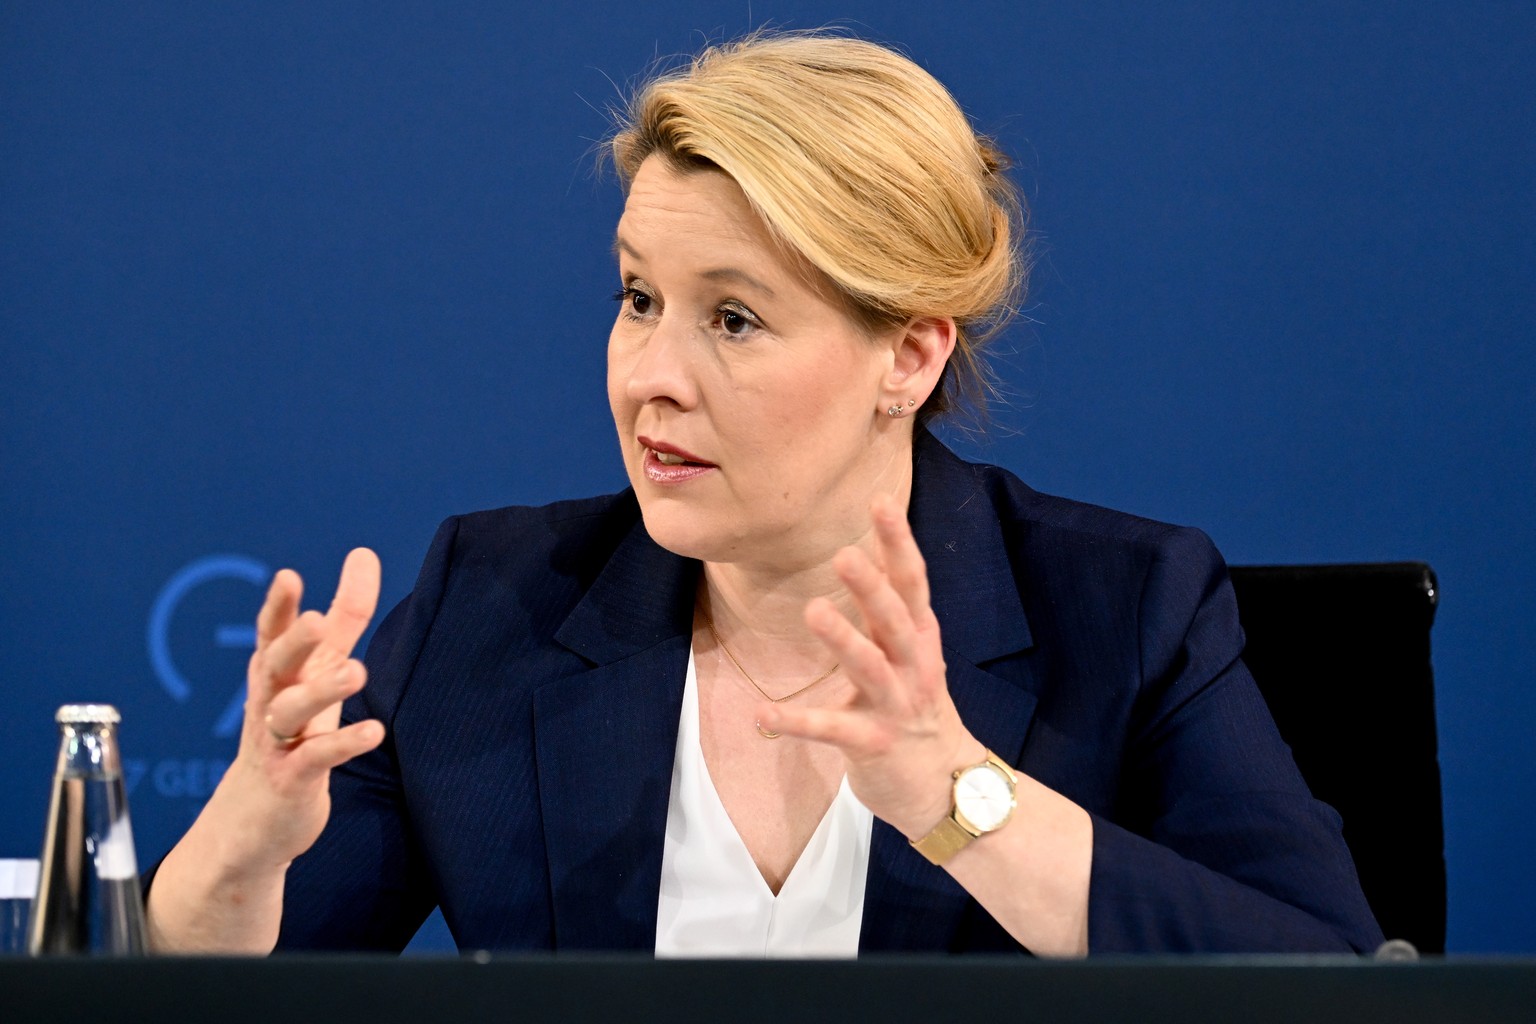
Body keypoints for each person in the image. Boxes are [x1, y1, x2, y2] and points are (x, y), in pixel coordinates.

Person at [144, 31, 1382, 957]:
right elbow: (188, 1005)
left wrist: (958, 798)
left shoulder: (1128, 612)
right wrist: (244, 841)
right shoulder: (488, 607)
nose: (651, 378)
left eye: (733, 318)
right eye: (639, 299)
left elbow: (1328, 982)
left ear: (909, 355)